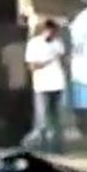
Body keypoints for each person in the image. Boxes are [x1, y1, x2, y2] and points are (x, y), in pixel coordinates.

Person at [24, 19, 66, 154]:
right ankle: (39, 146)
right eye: (50, 31)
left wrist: (63, 61)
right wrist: (47, 61)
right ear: (44, 30)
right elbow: (32, 66)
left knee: (55, 117)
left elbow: (63, 61)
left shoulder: (58, 44)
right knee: (42, 116)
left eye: (54, 31)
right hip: (42, 85)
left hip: (57, 84)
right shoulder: (34, 44)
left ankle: (55, 147)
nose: (52, 34)